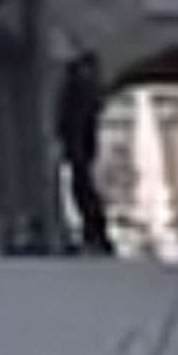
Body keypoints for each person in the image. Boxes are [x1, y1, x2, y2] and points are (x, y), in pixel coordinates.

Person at [56, 48, 114, 255]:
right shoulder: (86, 91)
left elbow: (75, 120)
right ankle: (93, 230)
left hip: (79, 145)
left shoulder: (80, 91)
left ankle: (94, 230)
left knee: (82, 188)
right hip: (81, 145)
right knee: (81, 187)